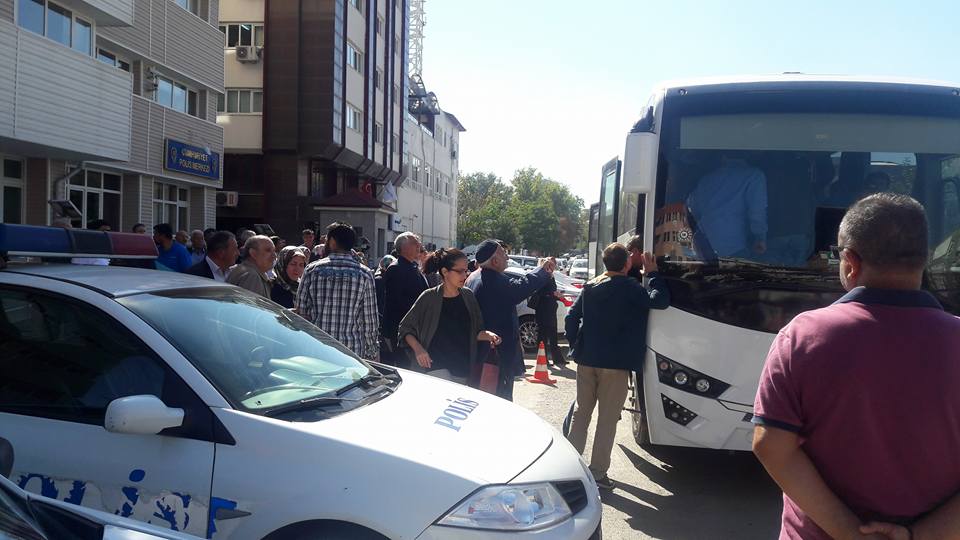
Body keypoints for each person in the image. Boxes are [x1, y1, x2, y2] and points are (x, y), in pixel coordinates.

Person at [752, 193, 960, 540]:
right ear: (923, 260)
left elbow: (770, 444)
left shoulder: (803, 335)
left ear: (849, 262)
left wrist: (852, 534)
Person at [564, 243, 670, 490]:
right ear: (627, 264)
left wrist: (576, 344)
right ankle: (598, 473)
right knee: (607, 420)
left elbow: (571, 317)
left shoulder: (591, 286)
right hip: (615, 364)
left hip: (586, 360)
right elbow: (660, 301)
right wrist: (653, 274)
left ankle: (568, 467)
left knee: (582, 413)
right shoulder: (630, 288)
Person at [464, 239, 553, 400]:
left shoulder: (474, 277)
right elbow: (522, 286)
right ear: (495, 261)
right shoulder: (492, 280)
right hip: (493, 354)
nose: (507, 257)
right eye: (504, 254)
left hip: (482, 351)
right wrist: (542, 270)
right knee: (497, 402)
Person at [398, 248, 501, 385]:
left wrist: (489, 335)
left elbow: (476, 332)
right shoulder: (429, 297)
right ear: (445, 272)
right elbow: (405, 328)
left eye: (466, 270)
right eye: (460, 271)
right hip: (434, 365)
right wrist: (419, 350)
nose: (465, 275)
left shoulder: (468, 296)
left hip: (463, 367)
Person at [296, 222, 379, 361]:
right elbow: (370, 320)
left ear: (332, 241)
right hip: (351, 353)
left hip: (316, 349)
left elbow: (301, 313)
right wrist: (371, 352)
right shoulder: (365, 274)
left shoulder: (312, 270)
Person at [687, 154, 768, 258]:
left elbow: (691, 209)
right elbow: (757, 213)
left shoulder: (705, 180)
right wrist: (760, 238)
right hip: (735, 250)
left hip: (704, 250)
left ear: (723, 157)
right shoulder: (754, 176)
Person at [382, 232, 429, 366]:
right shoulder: (396, 269)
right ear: (403, 247)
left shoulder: (413, 267)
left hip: (413, 329)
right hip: (400, 331)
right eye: (415, 242)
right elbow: (396, 302)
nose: (419, 245)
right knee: (404, 367)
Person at [532, 257, 566, 367]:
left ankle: (558, 359)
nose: (553, 267)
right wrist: (554, 294)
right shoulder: (542, 277)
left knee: (553, 334)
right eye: (550, 265)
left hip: (550, 308)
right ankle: (543, 359)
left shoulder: (551, 277)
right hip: (543, 309)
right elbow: (542, 291)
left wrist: (557, 295)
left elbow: (552, 290)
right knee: (542, 335)